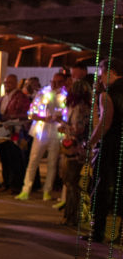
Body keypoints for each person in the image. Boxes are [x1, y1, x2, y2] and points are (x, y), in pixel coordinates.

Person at [86, 56, 123, 242]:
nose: (100, 79)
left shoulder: (107, 94)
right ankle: (120, 234)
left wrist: (90, 142)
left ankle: (98, 231)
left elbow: (105, 123)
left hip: (110, 146)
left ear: (110, 72)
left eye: (101, 74)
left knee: (101, 187)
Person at [17, 73, 68, 201]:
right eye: (53, 81)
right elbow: (31, 113)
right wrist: (43, 118)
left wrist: (60, 118)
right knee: (33, 160)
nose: (55, 84)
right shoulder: (42, 94)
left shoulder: (66, 96)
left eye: (59, 82)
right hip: (41, 132)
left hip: (56, 133)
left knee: (52, 163)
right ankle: (26, 190)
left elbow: (67, 116)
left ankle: (47, 191)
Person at [58, 78, 91, 225]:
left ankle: (72, 216)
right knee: (73, 183)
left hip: (76, 149)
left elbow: (78, 129)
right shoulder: (83, 106)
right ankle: (71, 215)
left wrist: (63, 125)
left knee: (72, 183)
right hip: (77, 148)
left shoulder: (79, 108)